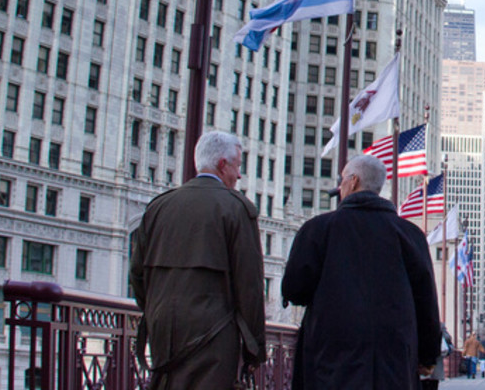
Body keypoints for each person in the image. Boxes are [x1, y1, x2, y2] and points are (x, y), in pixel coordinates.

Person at [284, 154, 441, 388]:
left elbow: (295, 290)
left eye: (342, 180)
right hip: (393, 363)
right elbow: (426, 305)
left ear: (354, 181)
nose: (339, 187)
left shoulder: (318, 230)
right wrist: (427, 357)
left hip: (330, 361)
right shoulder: (410, 235)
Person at [129, 131, 264, 389]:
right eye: (237, 167)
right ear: (222, 165)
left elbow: (137, 275)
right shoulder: (237, 208)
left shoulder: (157, 207)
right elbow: (250, 287)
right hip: (214, 339)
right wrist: (254, 349)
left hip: (162, 334)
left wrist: (155, 312)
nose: (239, 175)